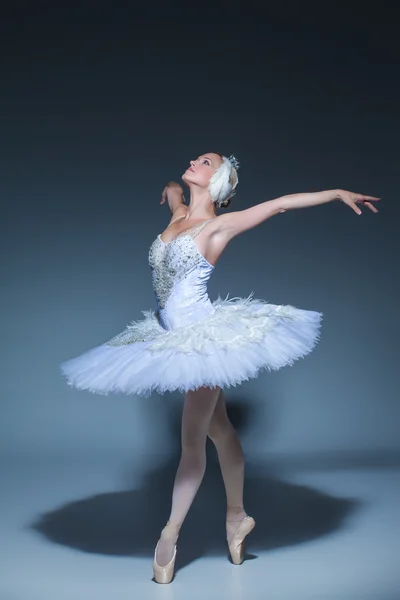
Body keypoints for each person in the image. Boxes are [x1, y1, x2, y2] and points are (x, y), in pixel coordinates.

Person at [60, 153, 380, 583]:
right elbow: (175, 190)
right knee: (222, 429)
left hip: (203, 343)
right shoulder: (178, 214)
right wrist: (172, 190)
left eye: (204, 161)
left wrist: (336, 193)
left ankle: (169, 536)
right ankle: (237, 517)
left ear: (218, 181)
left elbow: (280, 203)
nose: (194, 160)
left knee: (191, 442)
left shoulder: (218, 227)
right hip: (164, 336)